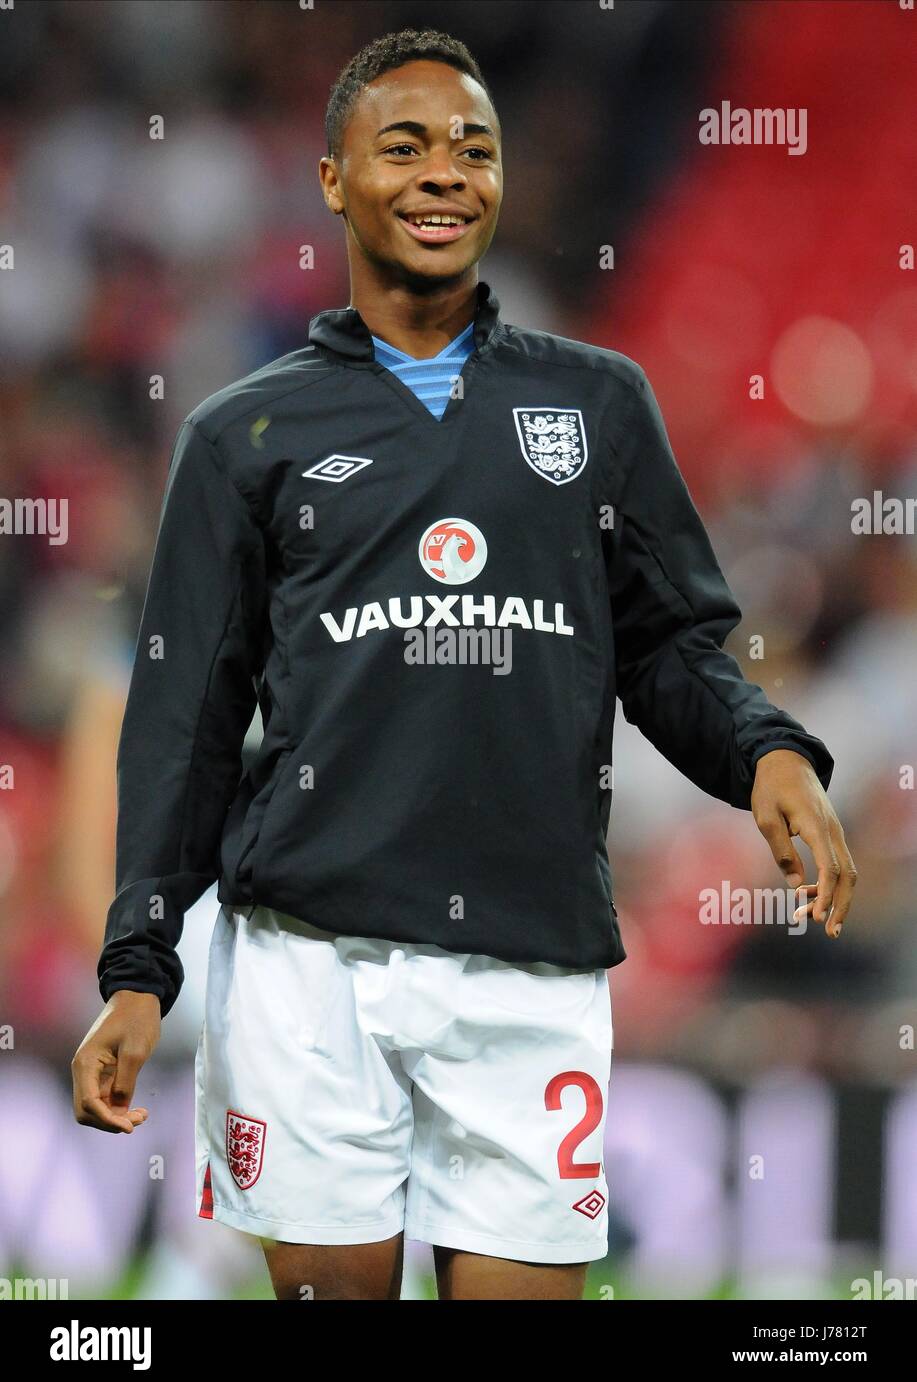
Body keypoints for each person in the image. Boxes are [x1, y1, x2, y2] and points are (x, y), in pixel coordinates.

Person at [72, 28, 857, 1301]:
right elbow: (184, 723)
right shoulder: (244, 436)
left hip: (527, 962)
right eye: (405, 144)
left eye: (474, 148)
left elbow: (665, 644)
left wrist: (762, 749)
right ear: (332, 178)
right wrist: (137, 968)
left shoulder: (597, 407)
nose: (446, 172)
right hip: (307, 966)